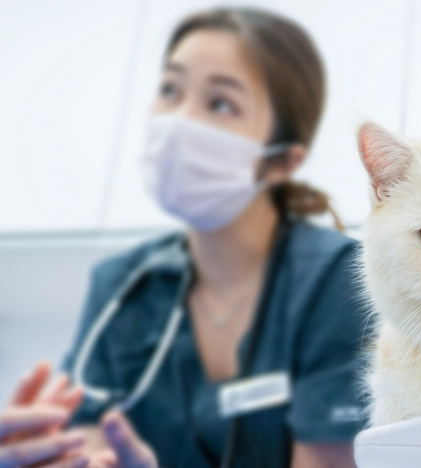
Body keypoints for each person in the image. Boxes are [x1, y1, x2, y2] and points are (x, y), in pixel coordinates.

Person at [0, 7, 367, 468]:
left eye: (220, 103)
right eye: (170, 90)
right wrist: (45, 454)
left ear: (281, 162)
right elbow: (88, 450)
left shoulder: (343, 281)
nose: (178, 121)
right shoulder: (121, 288)